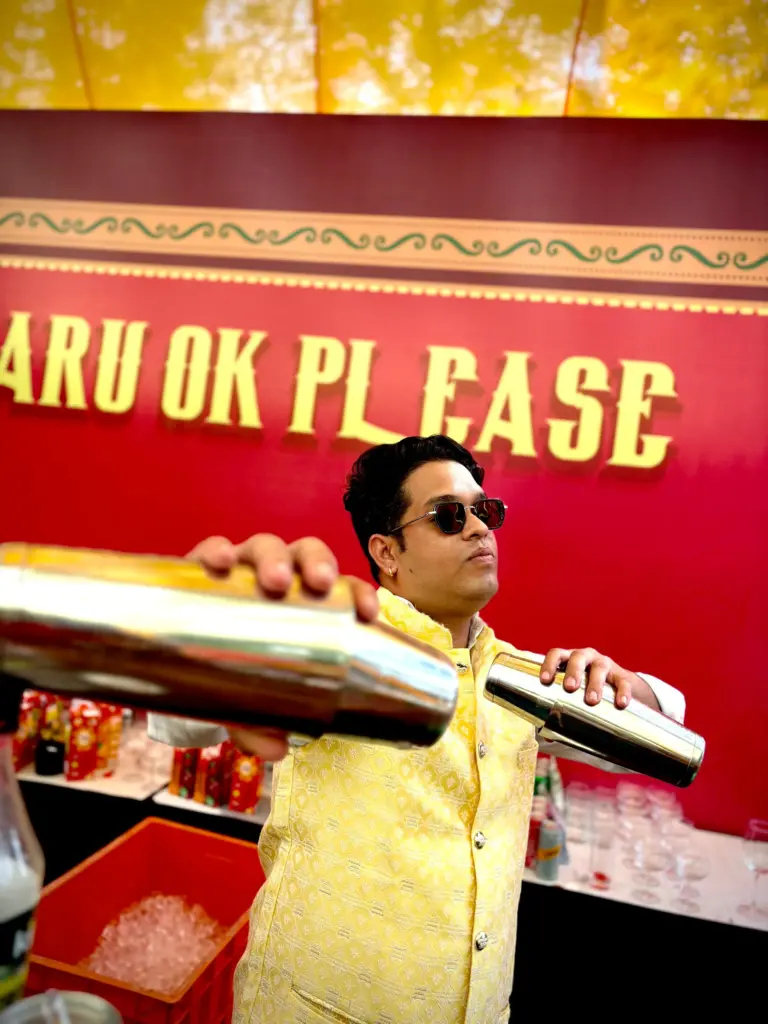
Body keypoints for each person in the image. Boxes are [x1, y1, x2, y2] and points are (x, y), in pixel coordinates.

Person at [150, 435, 684, 1024]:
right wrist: (218, 629)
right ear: (386, 552)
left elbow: (661, 733)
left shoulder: (515, 677)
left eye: (486, 511)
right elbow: (176, 717)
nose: (479, 530)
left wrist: (622, 684)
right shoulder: (343, 644)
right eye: (449, 516)